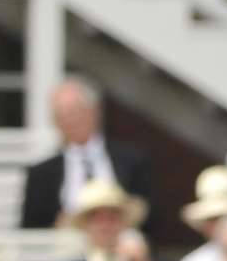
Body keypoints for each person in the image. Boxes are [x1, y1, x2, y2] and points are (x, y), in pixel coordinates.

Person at [21, 78, 153, 231]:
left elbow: (151, 219)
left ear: (94, 111)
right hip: (64, 249)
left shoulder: (133, 161)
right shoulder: (41, 174)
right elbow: (30, 230)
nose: (70, 120)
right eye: (61, 115)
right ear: (55, 122)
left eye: (75, 111)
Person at [45, 179, 163, 261]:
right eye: (97, 219)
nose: (105, 225)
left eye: (112, 218)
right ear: (84, 225)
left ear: (124, 223)